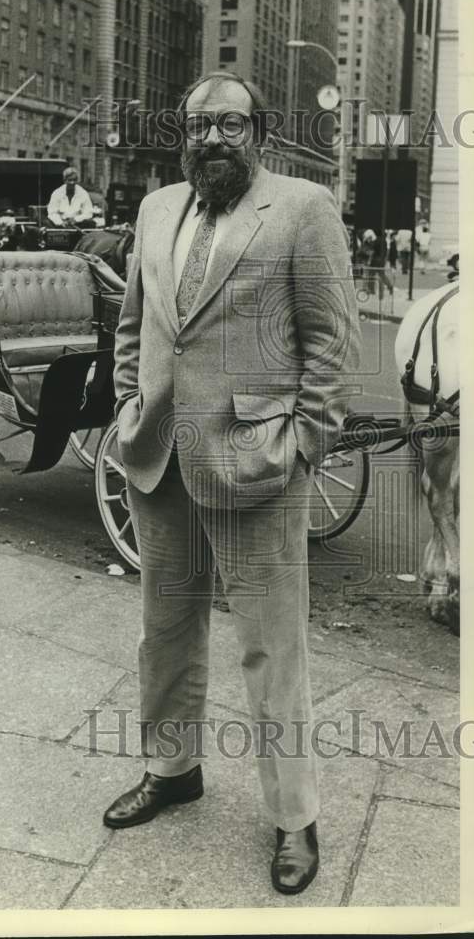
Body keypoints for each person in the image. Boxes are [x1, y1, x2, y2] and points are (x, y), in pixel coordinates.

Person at [105, 70, 361, 896]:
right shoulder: (154, 210)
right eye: (197, 127)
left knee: (269, 645)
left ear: (261, 134)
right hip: (159, 458)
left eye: (229, 126)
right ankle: (172, 769)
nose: (211, 140)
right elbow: (134, 324)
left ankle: (293, 818)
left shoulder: (302, 209)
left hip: (256, 461)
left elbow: (329, 340)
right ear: (180, 135)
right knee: (166, 630)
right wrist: (126, 405)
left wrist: (303, 445)